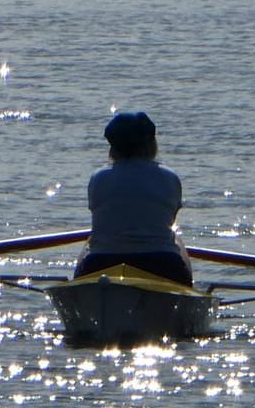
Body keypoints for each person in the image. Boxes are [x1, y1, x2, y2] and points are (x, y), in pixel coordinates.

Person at [75, 111, 192, 286]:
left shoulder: (98, 177)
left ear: (113, 147)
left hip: (100, 264)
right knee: (175, 238)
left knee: (90, 242)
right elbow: (171, 217)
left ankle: (83, 296)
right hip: (163, 265)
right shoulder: (169, 177)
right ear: (152, 144)